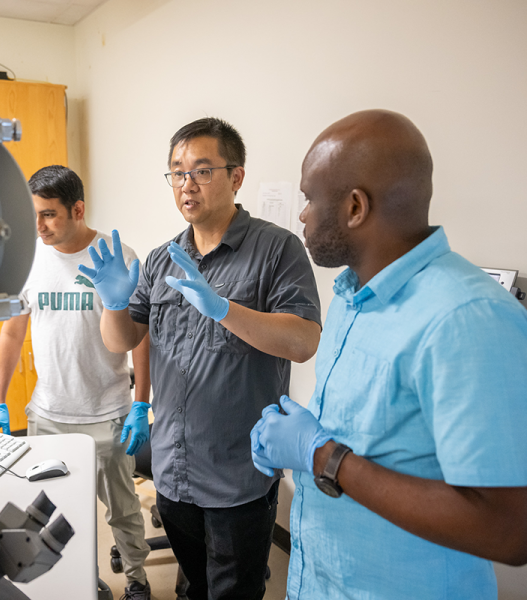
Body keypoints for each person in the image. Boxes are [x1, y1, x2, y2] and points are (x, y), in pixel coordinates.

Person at [250, 110, 527, 599]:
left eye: (308, 199)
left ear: (354, 208)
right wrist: (298, 438)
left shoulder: (468, 320)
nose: (301, 214)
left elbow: (507, 531)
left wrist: (323, 455)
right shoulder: (351, 298)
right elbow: (375, 436)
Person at [79, 118, 323, 600]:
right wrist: (111, 302)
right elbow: (121, 339)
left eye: (202, 170)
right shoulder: (161, 259)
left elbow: (303, 341)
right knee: (192, 589)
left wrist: (223, 308)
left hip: (238, 471)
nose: (186, 184)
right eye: (176, 172)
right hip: (174, 466)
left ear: (236, 177)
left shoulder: (277, 249)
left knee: (233, 591)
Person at [0, 165, 152, 600]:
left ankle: (137, 581)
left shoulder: (117, 258)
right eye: (33, 215)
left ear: (77, 209)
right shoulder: (29, 256)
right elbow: (12, 331)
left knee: (123, 511)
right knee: (52, 513)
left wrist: (142, 403)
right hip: (48, 414)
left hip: (108, 412)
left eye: (49, 215)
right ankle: (74, 582)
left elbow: (140, 337)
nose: (37, 226)